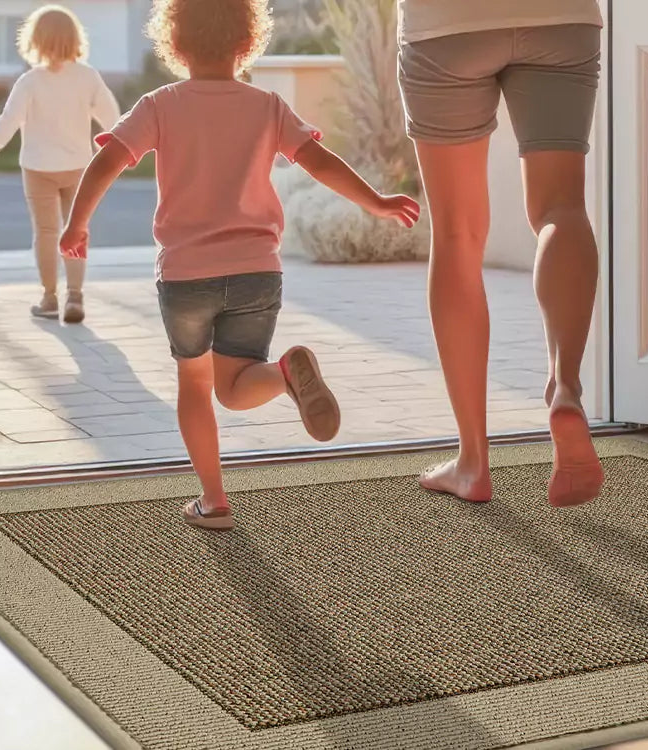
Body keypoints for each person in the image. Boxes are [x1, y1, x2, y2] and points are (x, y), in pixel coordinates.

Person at [58, 0, 422, 530]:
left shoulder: (160, 105)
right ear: (248, 41)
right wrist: (377, 202)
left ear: (174, 44)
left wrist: (76, 223)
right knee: (235, 385)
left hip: (186, 275)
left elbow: (107, 160)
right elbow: (319, 161)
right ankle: (282, 375)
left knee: (196, 387)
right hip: (256, 270)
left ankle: (214, 500)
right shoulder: (267, 106)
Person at [399, 0, 648, 508]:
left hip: (444, 24)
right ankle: (566, 387)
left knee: (457, 236)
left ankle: (472, 462)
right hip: (561, 17)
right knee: (561, 207)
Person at [0, 4, 120, 324]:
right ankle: (75, 296)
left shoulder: (29, 81)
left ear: (35, 40)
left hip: (38, 168)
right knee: (77, 231)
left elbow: (9, 119)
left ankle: (49, 297)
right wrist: (123, 148)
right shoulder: (88, 77)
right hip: (78, 167)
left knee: (46, 232)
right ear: (75, 39)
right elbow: (112, 118)